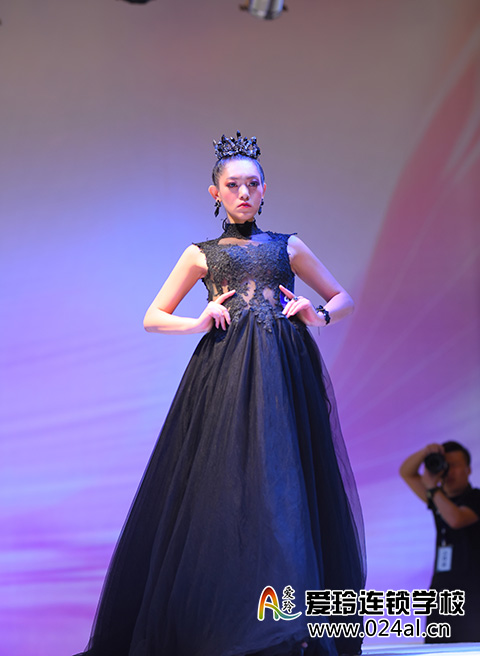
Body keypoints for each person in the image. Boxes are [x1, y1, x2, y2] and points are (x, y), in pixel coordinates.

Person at [74, 132, 366, 656]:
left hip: (287, 377)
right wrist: (199, 320)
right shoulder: (201, 254)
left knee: (290, 489)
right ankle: (231, 626)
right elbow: (153, 316)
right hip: (226, 376)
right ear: (215, 193)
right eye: (233, 185)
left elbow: (342, 297)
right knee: (225, 490)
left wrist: (317, 313)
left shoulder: (287, 246)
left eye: (252, 184)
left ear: (265, 189)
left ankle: (290, 629)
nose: (243, 193)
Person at [399, 441, 480, 642]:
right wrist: (426, 452)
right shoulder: (439, 499)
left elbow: (456, 519)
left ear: (468, 469)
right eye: (445, 465)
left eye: (455, 465)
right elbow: (406, 472)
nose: (448, 471)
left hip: (473, 596)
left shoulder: (475, 497)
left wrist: (433, 489)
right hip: (442, 596)